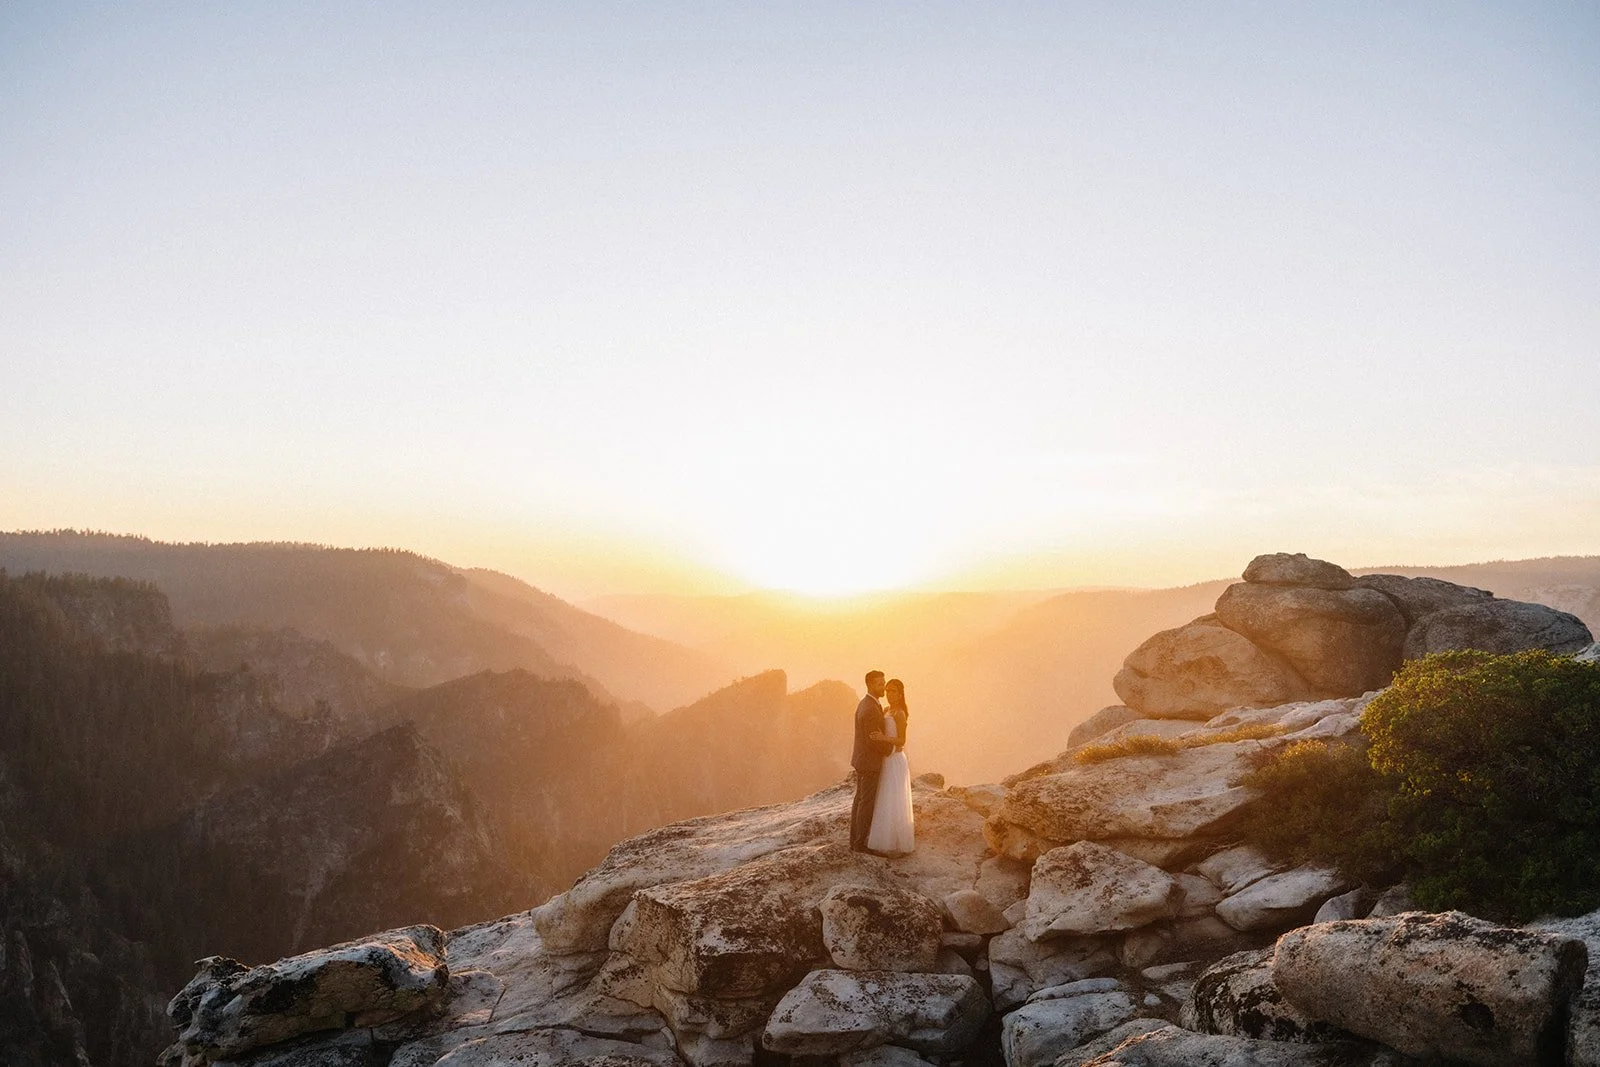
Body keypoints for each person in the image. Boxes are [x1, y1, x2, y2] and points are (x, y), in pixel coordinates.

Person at [866, 677, 915, 855]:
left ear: (900, 693)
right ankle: (883, 841)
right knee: (884, 798)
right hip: (886, 759)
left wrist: (883, 738)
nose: (889, 694)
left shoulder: (899, 713)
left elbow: (902, 740)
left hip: (895, 759)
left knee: (895, 799)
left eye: (893, 691)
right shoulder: (886, 709)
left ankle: (896, 843)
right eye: (887, 690)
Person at [849, 670, 893, 852]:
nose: (883, 687)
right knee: (866, 802)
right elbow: (872, 739)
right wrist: (890, 749)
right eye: (879, 684)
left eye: (883, 683)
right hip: (869, 762)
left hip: (861, 760)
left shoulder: (866, 704)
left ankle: (855, 840)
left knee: (860, 800)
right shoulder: (869, 709)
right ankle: (860, 843)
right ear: (870, 685)